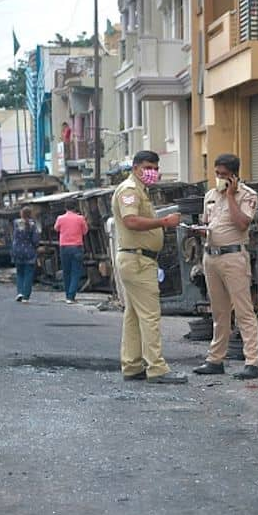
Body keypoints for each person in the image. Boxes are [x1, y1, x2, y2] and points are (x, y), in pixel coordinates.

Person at [111, 150, 187, 384]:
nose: (151, 172)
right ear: (135, 168)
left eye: (155, 168)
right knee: (150, 316)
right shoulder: (130, 191)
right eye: (147, 167)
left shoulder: (140, 190)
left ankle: (132, 365)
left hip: (137, 260)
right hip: (138, 261)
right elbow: (130, 221)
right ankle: (157, 368)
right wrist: (163, 222)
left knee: (134, 316)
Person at [193, 153, 258, 379]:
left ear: (234, 175)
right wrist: (199, 230)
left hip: (233, 257)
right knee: (219, 312)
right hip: (211, 256)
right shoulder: (210, 195)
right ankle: (215, 358)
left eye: (223, 175)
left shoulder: (247, 195)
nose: (219, 178)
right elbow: (208, 223)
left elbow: (242, 224)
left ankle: (252, 361)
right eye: (217, 174)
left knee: (243, 310)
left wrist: (231, 196)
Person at [54, 199, 88, 304]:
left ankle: (67, 295)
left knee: (66, 272)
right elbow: (85, 231)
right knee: (75, 272)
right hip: (77, 247)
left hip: (64, 247)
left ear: (65, 208)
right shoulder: (80, 218)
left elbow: (56, 229)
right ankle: (71, 296)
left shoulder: (60, 218)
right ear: (75, 208)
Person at [11, 206, 40, 303]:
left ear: (21, 214)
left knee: (20, 273)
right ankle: (26, 296)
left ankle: (20, 292)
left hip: (17, 250)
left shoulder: (16, 223)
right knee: (28, 273)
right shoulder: (33, 224)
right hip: (29, 251)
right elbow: (35, 240)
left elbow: (14, 236)